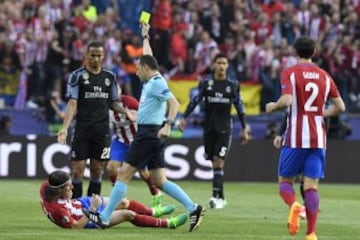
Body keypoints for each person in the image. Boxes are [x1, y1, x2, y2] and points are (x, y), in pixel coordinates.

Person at [85, 23, 205, 232]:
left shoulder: (157, 83)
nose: (137, 71)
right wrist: (146, 36)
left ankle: (103, 218)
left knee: (123, 174)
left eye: (139, 67)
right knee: (160, 180)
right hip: (150, 134)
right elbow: (149, 57)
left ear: (146, 68)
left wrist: (169, 125)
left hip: (148, 134)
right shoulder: (152, 80)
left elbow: (174, 103)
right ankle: (193, 207)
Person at [265, 36, 345, 240]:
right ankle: (311, 234)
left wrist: (272, 105)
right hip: (318, 139)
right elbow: (340, 107)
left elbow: (287, 100)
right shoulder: (325, 76)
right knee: (311, 187)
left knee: (285, 182)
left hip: (295, 137)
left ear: (294, 51)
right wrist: (319, 114)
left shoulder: (290, 73)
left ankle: (294, 205)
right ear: (315, 52)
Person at [57, 41, 136, 199]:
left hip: (102, 132)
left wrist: (125, 111)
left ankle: (92, 211)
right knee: (77, 170)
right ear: (86, 56)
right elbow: (73, 103)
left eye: (99, 56)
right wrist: (64, 128)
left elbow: (113, 103)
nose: (95, 59)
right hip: (82, 130)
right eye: (92, 55)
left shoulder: (110, 77)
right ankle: (77, 206)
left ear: (103, 56)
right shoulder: (77, 76)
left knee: (97, 171)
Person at [178, 53, 250, 209]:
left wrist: (245, 127)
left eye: (224, 63)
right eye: (219, 62)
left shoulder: (233, 85)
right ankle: (222, 197)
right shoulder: (206, 83)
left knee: (218, 160)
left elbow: (239, 106)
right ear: (214, 65)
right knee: (214, 163)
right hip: (209, 128)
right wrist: (184, 118)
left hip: (225, 129)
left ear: (227, 66)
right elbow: (194, 101)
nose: (222, 66)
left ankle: (215, 197)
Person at [40, 170, 188, 229]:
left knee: (122, 202)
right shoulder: (58, 210)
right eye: (68, 187)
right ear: (59, 191)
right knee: (127, 214)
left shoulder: (48, 188)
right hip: (87, 219)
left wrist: (85, 204)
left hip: (79, 204)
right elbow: (76, 227)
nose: (71, 188)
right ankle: (169, 223)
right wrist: (92, 208)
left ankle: (154, 211)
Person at [107, 87, 162, 207]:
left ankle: (155, 193)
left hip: (136, 141)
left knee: (143, 172)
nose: (115, 93)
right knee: (111, 167)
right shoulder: (106, 105)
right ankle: (119, 196)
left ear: (120, 90)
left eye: (117, 90)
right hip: (120, 141)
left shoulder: (130, 102)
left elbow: (144, 115)